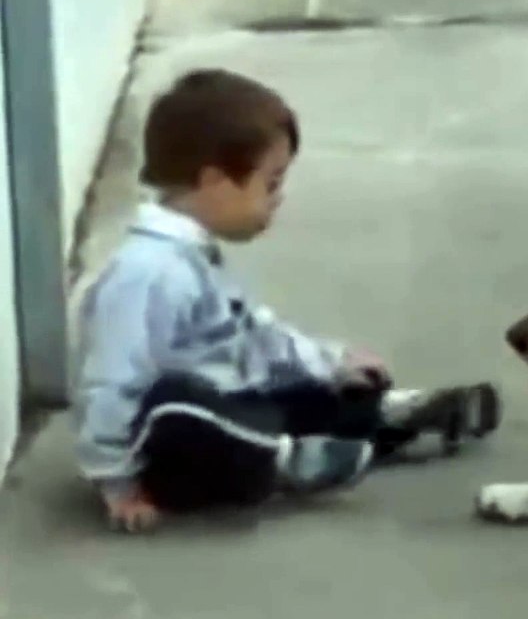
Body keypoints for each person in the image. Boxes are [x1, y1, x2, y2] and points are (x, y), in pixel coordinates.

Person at [71, 68, 500, 533]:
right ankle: (292, 460)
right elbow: (110, 384)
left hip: (238, 409)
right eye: (270, 183)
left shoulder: (194, 255)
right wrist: (118, 484)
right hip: (172, 458)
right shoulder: (147, 273)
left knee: (285, 382)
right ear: (215, 181)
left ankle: (382, 417)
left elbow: (257, 337)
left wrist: (330, 364)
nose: (278, 198)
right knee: (182, 406)